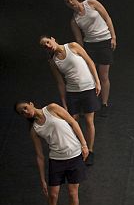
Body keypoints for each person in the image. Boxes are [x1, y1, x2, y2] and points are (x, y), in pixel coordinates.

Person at [15, 100, 89, 205]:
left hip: (74, 156)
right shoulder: (34, 129)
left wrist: (84, 145)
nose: (25, 112)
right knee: (53, 195)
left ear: (31, 104)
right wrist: (42, 179)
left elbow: (73, 122)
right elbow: (39, 156)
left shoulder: (52, 108)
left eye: (25, 107)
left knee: (73, 193)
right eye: (22, 112)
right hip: (56, 160)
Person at [40, 36, 101, 166]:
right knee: (73, 121)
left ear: (53, 39)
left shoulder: (73, 46)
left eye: (48, 42)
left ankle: (90, 151)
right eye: (45, 46)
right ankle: (80, 149)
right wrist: (64, 102)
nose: (48, 45)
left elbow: (90, 62)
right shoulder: (53, 62)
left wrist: (97, 81)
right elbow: (60, 83)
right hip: (72, 92)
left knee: (89, 121)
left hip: (88, 88)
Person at [64, 0, 116, 116]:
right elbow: (79, 40)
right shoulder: (74, 20)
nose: (70, 2)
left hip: (104, 41)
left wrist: (113, 37)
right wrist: (81, 54)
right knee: (91, 76)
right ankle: (91, 104)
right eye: (67, 2)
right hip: (90, 46)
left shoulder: (91, 3)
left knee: (103, 75)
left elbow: (107, 17)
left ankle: (104, 104)